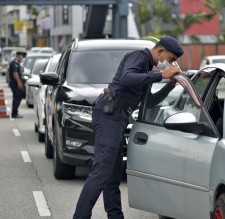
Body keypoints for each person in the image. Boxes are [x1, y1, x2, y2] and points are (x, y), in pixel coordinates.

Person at [73, 36, 184, 219]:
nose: (170, 63)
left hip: (117, 118)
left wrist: (169, 85)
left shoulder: (147, 69)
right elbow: (126, 79)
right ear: (160, 51)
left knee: (112, 177)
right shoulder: (139, 57)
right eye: (171, 59)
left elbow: (151, 102)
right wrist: (160, 75)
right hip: (111, 115)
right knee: (101, 173)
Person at [9, 51, 26, 118]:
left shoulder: (17, 62)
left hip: (16, 82)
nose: (22, 58)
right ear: (19, 55)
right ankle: (14, 113)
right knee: (17, 97)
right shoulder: (14, 62)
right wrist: (19, 82)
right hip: (15, 83)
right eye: (22, 56)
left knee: (18, 96)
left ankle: (15, 112)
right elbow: (15, 73)